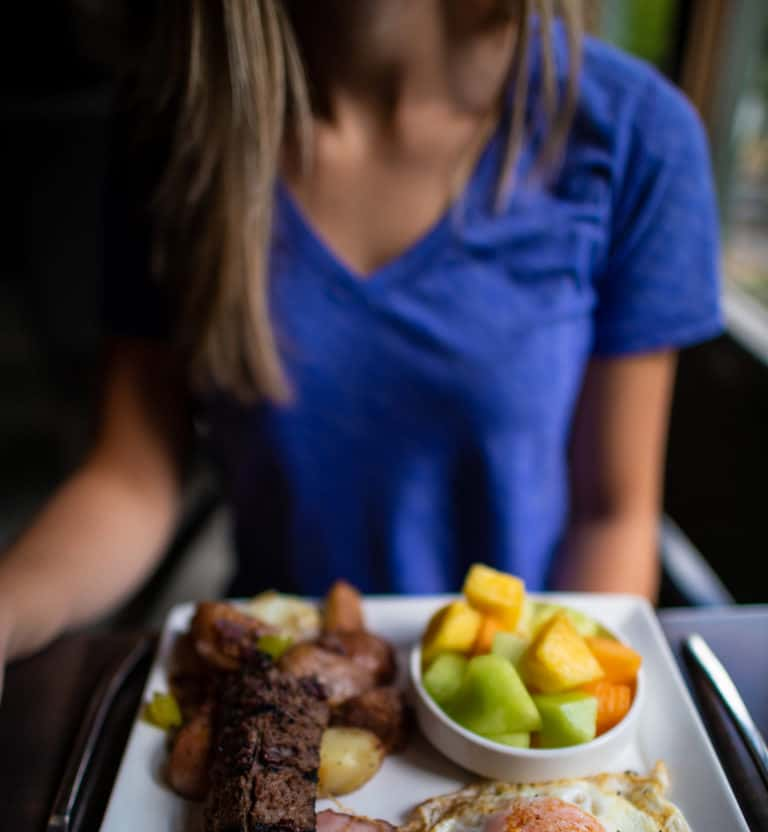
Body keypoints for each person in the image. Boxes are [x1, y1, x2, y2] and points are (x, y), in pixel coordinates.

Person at [0, 0, 722, 693]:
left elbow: (613, 513)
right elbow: (132, 478)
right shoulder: (176, 129)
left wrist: (551, 743)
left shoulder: (637, 134)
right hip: (269, 672)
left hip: (503, 698)